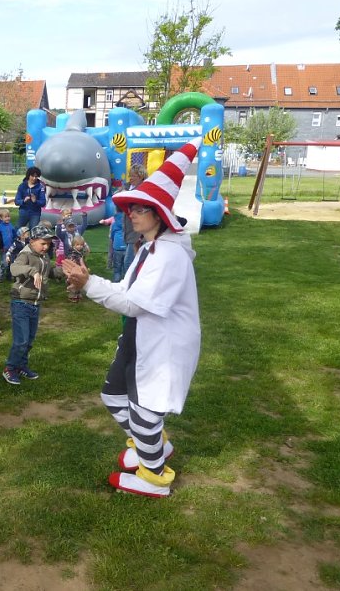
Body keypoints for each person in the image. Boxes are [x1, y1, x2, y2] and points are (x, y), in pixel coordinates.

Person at [62, 138, 202, 498]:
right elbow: (126, 290)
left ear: (160, 214)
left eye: (141, 207)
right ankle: (152, 443)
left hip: (161, 346)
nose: (132, 213)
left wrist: (88, 283)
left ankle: (153, 477)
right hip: (139, 337)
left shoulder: (169, 256)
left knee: (145, 409)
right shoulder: (148, 248)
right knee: (113, 395)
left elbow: (136, 303)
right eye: (131, 208)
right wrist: (90, 279)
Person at [3, 225, 64, 385]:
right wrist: (31, 271)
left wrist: (65, 272)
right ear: (32, 241)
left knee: (29, 340)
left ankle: (21, 365)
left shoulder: (43, 257)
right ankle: (9, 368)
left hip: (35, 304)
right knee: (21, 340)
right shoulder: (26, 254)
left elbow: (49, 271)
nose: (46, 247)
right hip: (21, 302)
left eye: (49, 244)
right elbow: (14, 268)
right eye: (43, 243)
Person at [122, 163, 148, 277]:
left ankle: (132, 286)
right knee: (130, 262)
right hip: (128, 229)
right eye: (130, 176)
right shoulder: (126, 188)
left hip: (137, 232)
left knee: (129, 263)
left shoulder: (144, 190)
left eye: (134, 176)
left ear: (141, 176)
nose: (131, 178)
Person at [66, 235, 90, 302]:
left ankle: (78, 293)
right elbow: (71, 262)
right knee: (73, 283)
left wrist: (86, 267)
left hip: (80, 270)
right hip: (73, 271)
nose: (80, 246)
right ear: (73, 245)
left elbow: (83, 261)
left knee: (79, 282)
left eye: (81, 245)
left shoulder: (81, 252)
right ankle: (72, 296)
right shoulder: (72, 254)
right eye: (77, 245)